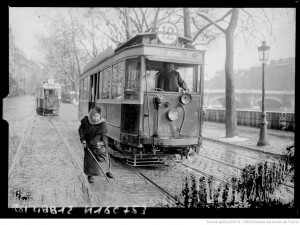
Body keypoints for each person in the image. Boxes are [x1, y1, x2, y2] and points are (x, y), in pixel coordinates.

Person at [78, 106, 113, 183]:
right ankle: (90, 175)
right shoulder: (86, 121)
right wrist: (83, 140)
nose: (96, 118)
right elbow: (81, 130)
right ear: (91, 116)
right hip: (87, 142)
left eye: (97, 116)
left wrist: (92, 143)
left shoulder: (102, 124)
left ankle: (107, 171)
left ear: (100, 116)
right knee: (89, 159)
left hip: (99, 141)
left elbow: (99, 135)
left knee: (104, 156)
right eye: (94, 116)